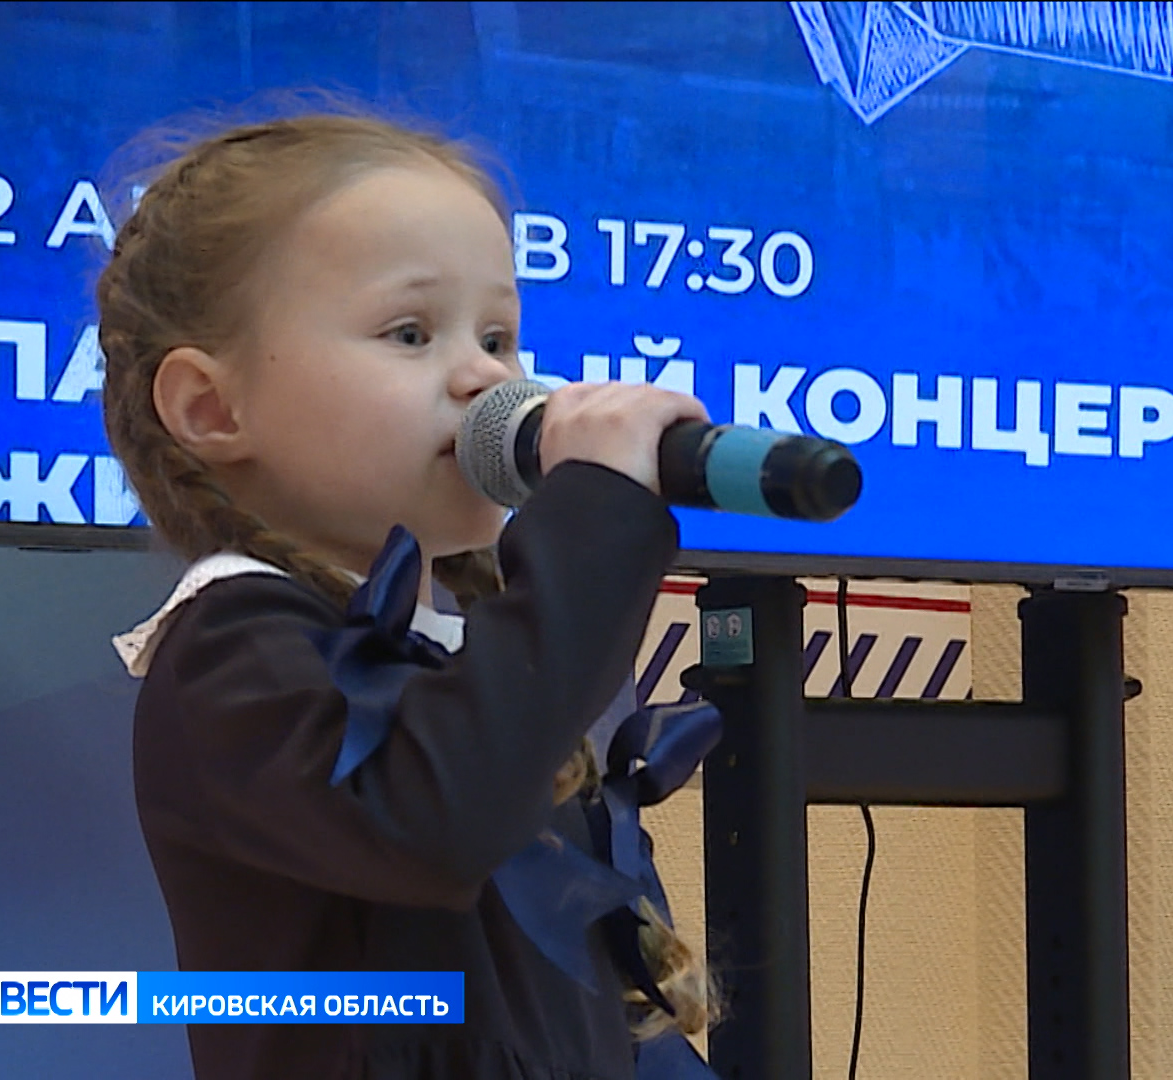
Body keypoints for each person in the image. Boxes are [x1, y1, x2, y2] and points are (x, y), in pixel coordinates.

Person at [98, 108, 718, 1079]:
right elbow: (433, 823)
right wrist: (594, 517)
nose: (487, 378)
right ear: (211, 408)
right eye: (411, 332)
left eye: (499, 336)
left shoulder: (467, 670)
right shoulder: (231, 648)